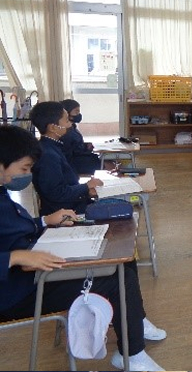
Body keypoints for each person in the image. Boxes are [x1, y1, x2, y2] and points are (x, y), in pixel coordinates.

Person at [0, 125, 166, 371]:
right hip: (17, 291)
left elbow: (12, 229)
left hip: (32, 265)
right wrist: (12, 257)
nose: (27, 175)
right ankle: (132, 355)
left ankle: (136, 323)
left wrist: (45, 221)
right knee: (118, 279)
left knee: (124, 260)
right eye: (23, 168)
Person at [30, 101, 103, 216]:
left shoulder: (53, 147)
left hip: (73, 204)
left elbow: (67, 184)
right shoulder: (48, 155)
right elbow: (56, 193)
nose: (70, 125)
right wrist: (86, 186)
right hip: (66, 213)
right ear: (53, 127)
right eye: (67, 121)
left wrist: (86, 191)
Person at [59, 99, 102, 175]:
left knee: (105, 160)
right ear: (67, 113)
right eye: (76, 112)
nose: (79, 114)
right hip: (76, 163)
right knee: (108, 164)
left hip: (80, 159)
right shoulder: (65, 132)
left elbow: (76, 145)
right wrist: (86, 150)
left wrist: (86, 146)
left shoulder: (72, 127)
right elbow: (74, 151)